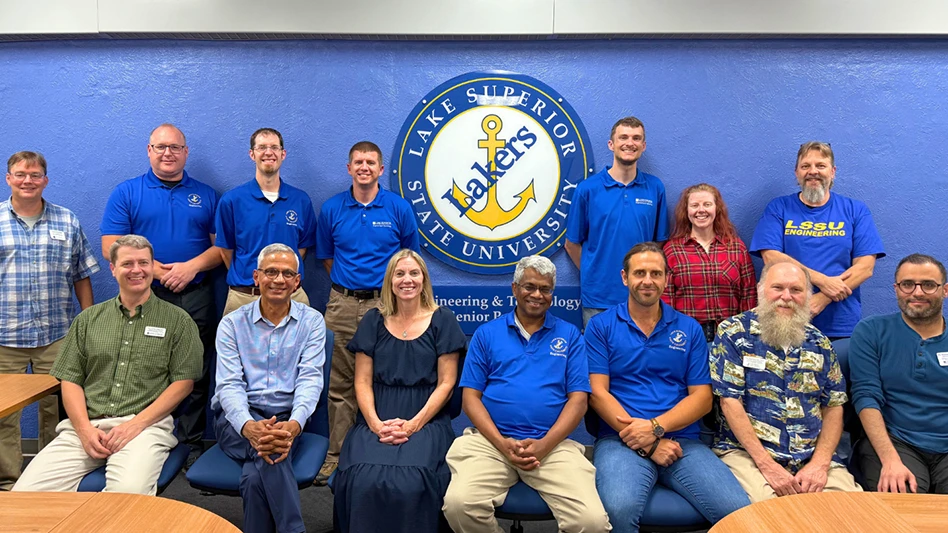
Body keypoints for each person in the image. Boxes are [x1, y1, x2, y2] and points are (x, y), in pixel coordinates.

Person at [13, 235, 202, 494]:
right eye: (127, 264)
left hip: (144, 427)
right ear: (113, 269)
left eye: (143, 263)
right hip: (87, 426)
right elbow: (70, 380)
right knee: (24, 495)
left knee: (127, 494)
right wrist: (84, 430)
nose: (136, 270)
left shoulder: (178, 321)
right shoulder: (88, 320)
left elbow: (184, 383)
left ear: (152, 267)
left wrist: (135, 425)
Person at [587, 242, 749, 531]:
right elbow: (598, 394)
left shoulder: (689, 329)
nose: (647, 280)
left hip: (682, 441)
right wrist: (648, 442)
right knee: (619, 509)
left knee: (736, 511)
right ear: (625, 277)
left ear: (666, 279)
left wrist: (655, 429)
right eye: (639, 273)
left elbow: (702, 398)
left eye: (656, 273)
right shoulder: (601, 326)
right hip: (619, 440)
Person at [442, 256, 611, 533]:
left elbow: (579, 401)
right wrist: (502, 443)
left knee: (591, 522)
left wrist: (544, 444)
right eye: (529, 286)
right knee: (459, 506)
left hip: (552, 446)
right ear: (514, 288)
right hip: (490, 443)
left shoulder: (570, 336)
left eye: (545, 289)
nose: (537, 295)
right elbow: (471, 399)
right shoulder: (486, 334)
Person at [100, 124, 221, 466]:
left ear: (186, 152)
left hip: (196, 294)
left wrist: (191, 268)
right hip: (144, 296)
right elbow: (110, 246)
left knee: (194, 368)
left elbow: (222, 249)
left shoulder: (207, 195)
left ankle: (191, 444)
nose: (168, 153)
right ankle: (146, 441)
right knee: (144, 367)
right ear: (149, 150)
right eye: (160, 147)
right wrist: (156, 270)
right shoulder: (127, 192)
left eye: (175, 147)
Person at [333, 249, 465, 532]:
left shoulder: (443, 320)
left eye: (414, 273)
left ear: (424, 279)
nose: (407, 280)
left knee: (414, 481)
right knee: (361, 479)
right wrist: (376, 425)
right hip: (376, 415)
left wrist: (413, 425)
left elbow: (447, 383)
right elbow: (362, 382)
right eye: (400, 273)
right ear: (390, 281)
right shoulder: (373, 320)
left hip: (427, 418)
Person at [710, 261, 861, 502]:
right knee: (770, 511)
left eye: (796, 290)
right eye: (778, 288)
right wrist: (767, 465)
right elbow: (730, 403)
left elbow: (833, 407)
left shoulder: (820, 343)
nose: (786, 297)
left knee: (854, 508)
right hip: (749, 456)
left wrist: (820, 464)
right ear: (761, 290)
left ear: (807, 295)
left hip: (812, 457)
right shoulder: (734, 333)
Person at [314, 141, 420, 483]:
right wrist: (351, 288)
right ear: (349, 168)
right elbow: (326, 257)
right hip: (342, 304)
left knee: (385, 379)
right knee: (340, 383)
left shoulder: (399, 208)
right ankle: (336, 455)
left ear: (380, 169)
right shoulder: (332, 209)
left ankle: (380, 451)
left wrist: (383, 295)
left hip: (386, 306)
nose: (364, 167)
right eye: (358, 162)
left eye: (370, 162)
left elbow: (409, 261)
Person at [0, 151, 100, 491]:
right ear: (9, 178)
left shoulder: (66, 220)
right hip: (5, 337)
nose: (27, 180)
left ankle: (49, 482)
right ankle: (7, 485)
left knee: (58, 413)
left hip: (57, 336)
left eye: (35, 175)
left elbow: (82, 274)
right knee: (4, 416)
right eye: (20, 174)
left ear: (45, 180)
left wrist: (87, 322)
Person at [211, 243, 326, 533]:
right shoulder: (231, 324)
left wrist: (295, 424)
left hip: (286, 417)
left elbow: (310, 379)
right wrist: (248, 426)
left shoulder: (312, 322)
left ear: (297, 282)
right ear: (256, 277)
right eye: (271, 272)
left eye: (287, 274)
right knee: (273, 454)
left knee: (254, 477)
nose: (279, 280)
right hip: (235, 419)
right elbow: (229, 385)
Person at [749, 141, 884, 339]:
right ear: (797, 173)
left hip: (841, 325)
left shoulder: (855, 210)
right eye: (806, 166)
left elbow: (865, 268)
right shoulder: (779, 208)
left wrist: (824, 297)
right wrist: (822, 281)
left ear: (833, 172)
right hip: (787, 321)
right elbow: (771, 257)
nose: (813, 171)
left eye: (821, 165)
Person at [850, 253, 948, 494]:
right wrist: (889, 460)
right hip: (895, 441)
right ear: (896, 289)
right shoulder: (871, 331)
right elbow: (866, 396)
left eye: (928, 285)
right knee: (903, 503)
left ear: (945, 290)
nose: (917, 292)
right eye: (907, 284)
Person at [565, 116, 669, 326]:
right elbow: (572, 244)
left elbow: (659, 242)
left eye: (636, 138)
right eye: (623, 137)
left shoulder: (655, 188)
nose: (630, 143)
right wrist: (594, 273)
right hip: (598, 299)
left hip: (642, 296)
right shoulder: (588, 189)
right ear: (611, 144)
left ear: (643, 145)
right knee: (598, 349)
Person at [216, 128, 317, 316]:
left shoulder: (300, 200)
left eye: (274, 147)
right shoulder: (232, 200)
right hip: (244, 297)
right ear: (252, 154)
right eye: (262, 147)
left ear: (283, 154)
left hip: (292, 297)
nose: (268, 152)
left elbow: (301, 249)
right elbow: (226, 250)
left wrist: (281, 278)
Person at [662, 183, 756, 342]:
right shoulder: (672, 250)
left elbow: (749, 295)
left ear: (716, 208)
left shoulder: (736, 248)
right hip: (687, 339)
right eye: (694, 205)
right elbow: (665, 301)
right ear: (686, 210)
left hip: (729, 339)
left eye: (707, 204)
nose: (701, 210)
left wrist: (746, 335)